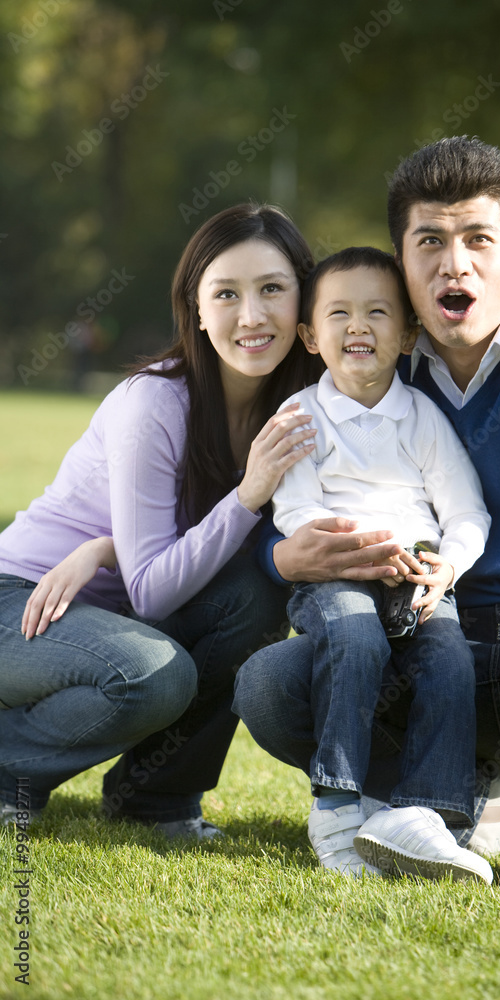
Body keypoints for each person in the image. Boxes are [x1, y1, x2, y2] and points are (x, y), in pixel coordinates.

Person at [233, 136, 500, 889]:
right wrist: (282, 557)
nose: (453, 262)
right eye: (428, 241)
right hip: (428, 649)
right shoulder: (385, 380)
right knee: (271, 684)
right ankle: (455, 785)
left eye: (477, 239)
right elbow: (304, 496)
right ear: (402, 263)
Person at [0, 202, 332, 840]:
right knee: (152, 675)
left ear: (304, 301)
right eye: (226, 294)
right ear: (198, 310)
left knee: (253, 595)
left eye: (272, 289)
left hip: (115, 608)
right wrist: (247, 494)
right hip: (23, 604)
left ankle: (156, 796)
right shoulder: (154, 400)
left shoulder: (305, 405)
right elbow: (153, 589)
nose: (252, 315)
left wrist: (106, 549)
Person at [272, 246, 492, 881]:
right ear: (312, 337)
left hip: (419, 572)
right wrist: (359, 551)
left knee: (449, 657)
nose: (358, 326)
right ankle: (337, 805)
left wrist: (446, 567)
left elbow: (466, 513)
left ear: (408, 335)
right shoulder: (300, 418)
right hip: (337, 571)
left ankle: (431, 818)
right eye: (338, 313)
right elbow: (295, 512)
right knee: (355, 637)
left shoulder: (422, 418)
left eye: (377, 312)